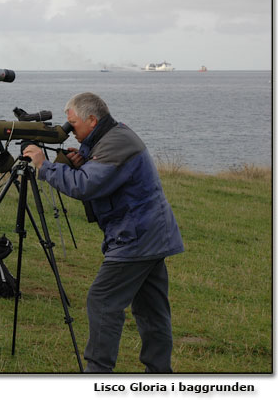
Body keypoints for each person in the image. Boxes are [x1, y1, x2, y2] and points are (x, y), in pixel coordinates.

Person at [23, 92, 184, 373]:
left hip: (137, 237)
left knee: (102, 301)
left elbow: (86, 186)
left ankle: (98, 375)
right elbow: (98, 173)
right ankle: (160, 374)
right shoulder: (111, 136)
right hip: (151, 234)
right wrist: (82, 161)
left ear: (92, 119)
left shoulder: (117, 142)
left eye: (73, 124)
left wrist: (43, 166)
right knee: (151, 310)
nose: (70, 130)